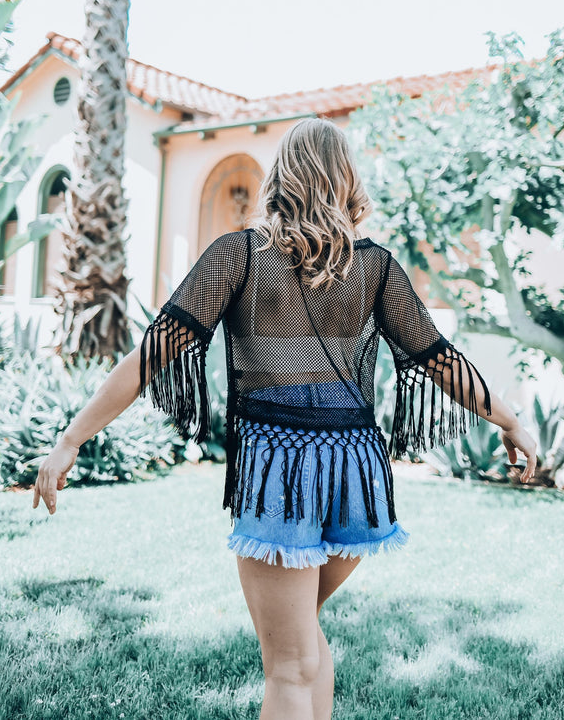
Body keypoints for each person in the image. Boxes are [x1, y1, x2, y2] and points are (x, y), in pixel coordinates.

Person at [33, 118, 537, 720]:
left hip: (281, 470)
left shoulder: (239, 256)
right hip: (355, 472)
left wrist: (70, 439)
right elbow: (438, 359)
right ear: (346, 180)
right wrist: (509, 419)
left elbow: (150, 357)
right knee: (305, 641)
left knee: (289, 666)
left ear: (281, 176)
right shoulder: (374, 268)